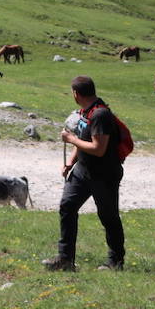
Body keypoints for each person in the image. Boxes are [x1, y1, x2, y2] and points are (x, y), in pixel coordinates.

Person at [43, 75, 126, 272]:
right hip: (83, 171)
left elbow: (98, 148)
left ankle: (115, 262)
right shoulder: (86, 112)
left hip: (104, 174)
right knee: (67, 207)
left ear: (76, 93)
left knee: (108, 216)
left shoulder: (100, 115)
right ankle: (65, 259)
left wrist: (71, 139)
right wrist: (70, 163)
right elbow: (83, 139)